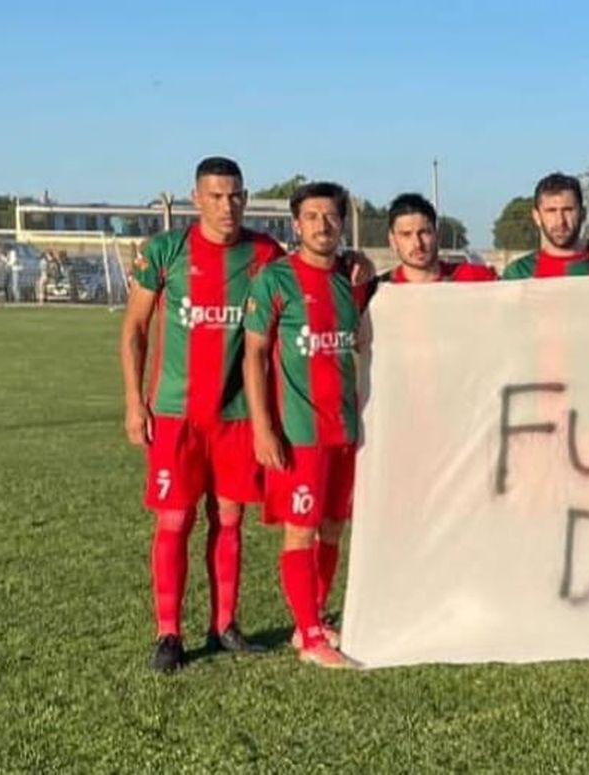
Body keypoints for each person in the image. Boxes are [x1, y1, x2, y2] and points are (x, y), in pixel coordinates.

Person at [118, 156, 284, 672]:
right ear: (196, 198)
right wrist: (133, 400)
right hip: (175, 414)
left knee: (229, 518)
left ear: (246, 196)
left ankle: (225, 625)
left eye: (234, 195)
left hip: (236, 414)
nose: (226, 205)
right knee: (174, 519)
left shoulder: (263, 252)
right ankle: (169, 633)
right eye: (215, 196)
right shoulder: (167, 251)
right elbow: (136, 329)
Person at [243, 181, 368, 669]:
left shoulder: (352, 280)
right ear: (296, 224)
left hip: (346, 431)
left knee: (334, 528)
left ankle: (306, 622)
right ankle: (313, 638)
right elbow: (254, 355)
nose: (322, 225)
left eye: (331, 216)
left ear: (342, 222)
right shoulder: (275, 280)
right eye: (312, 217)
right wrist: (262, 427)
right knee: (301, 530)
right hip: (300, 433)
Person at [502, 173, 589, 280]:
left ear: (582, 214)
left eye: (568, 210)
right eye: (551, 211)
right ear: (537, 216)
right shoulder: (518, 273)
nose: (560, 221)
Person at [376, 193, 497, 284]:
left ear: (438, 235)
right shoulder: (374, 292)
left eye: (424, 232)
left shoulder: (477, 278)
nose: (417, 244)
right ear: (392, 240)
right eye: (406, 234)